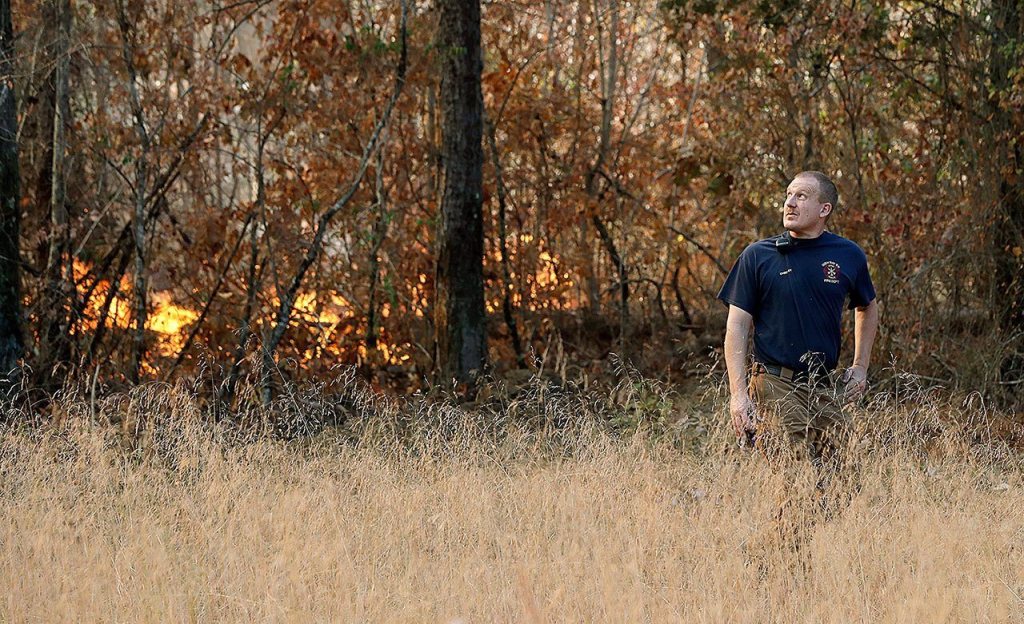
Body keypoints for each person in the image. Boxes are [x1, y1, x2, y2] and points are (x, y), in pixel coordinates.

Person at [717, 171, 879, 462]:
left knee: (840, 483)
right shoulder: (758, 255)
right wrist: (738, 394)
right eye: (788, 195)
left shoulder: (848, 254)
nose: (789, 203)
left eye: (801, 196)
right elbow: (737, 326)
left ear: (824, 209)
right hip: (775, 383)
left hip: (825, 386)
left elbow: (867, 306)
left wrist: (860, 366)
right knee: (794, 475)